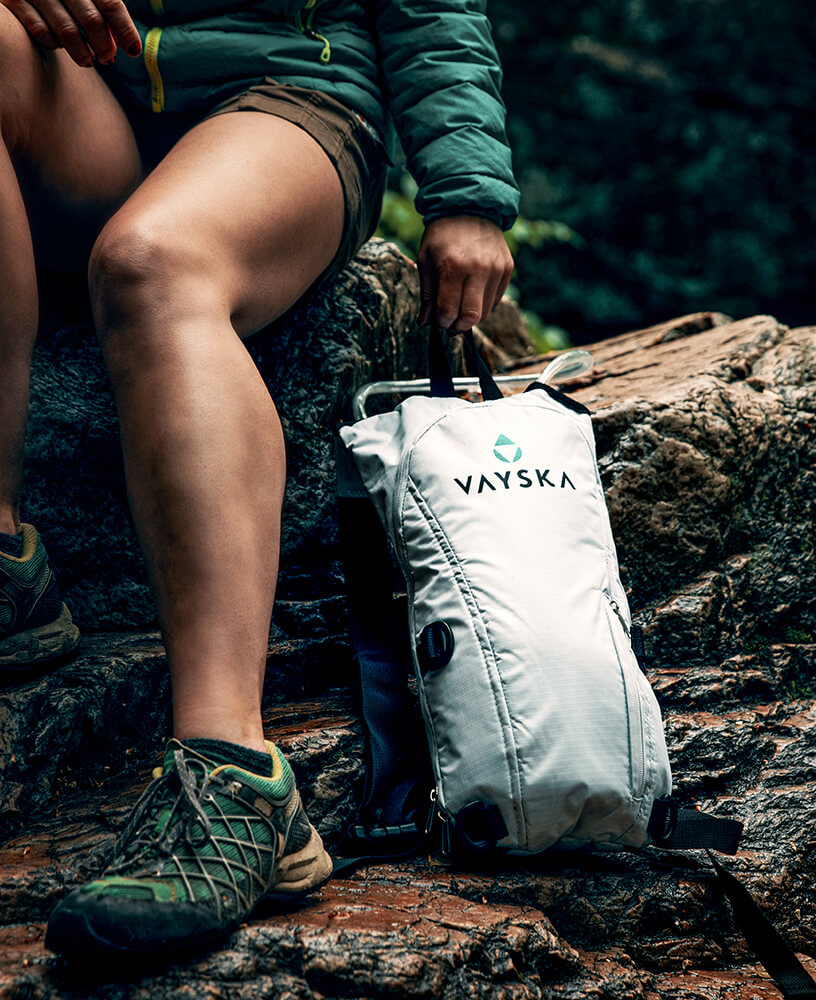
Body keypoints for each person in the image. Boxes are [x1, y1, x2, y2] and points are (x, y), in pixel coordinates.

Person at [0, 0, 518, 959]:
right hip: (90, 96)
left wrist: (466, 194)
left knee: (154, 262)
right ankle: (5, 563)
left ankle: (236, 774)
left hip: (285, 95)